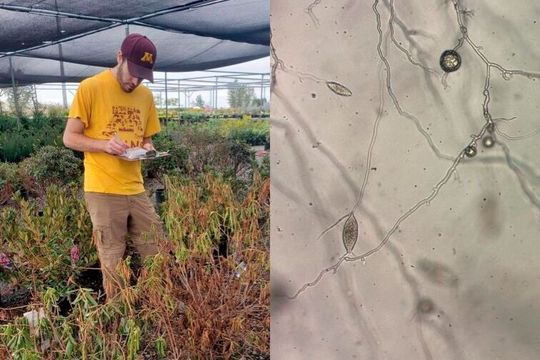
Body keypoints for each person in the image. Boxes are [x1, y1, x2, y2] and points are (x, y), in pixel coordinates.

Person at [63, 33, 162, 300]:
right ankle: (118, 317)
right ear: (120, 57)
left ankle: (156, 307)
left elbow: (146, 137)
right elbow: (69, 137)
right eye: (133, 73)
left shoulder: (145, 96)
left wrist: (148, 148)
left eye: (143, 76)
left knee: (155, 246)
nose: (135, 81)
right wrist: (104, 145)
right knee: (112, 257)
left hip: (136, 187)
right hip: (103, 189)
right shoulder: (90, 88)